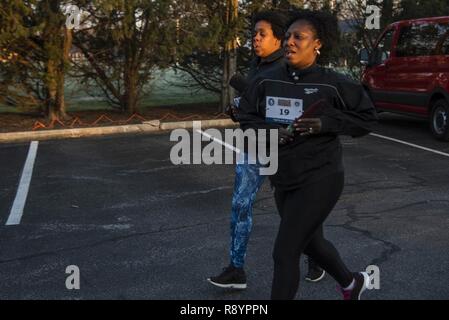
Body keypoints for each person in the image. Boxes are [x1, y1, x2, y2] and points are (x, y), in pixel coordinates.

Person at [237, 9, 378, 300]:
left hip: (321, 176)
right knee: (311, 243)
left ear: (317, 43)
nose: (289, 42)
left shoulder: (333, 83)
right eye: (287, 36)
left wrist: (326, 124)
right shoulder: (267, 80)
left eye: (298, 37)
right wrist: (271, 132)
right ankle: (352, 283)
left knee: (284, 252)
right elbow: (246, 116)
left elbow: (366, 119)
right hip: (283, 176)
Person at [207, 10, 325, 290]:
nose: (255, 39)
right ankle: (236, 270)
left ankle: (317, 257)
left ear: (278, 39)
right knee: (240, 204)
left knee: (296, 210)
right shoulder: (256, 66)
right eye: (254, 34)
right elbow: (252, 108)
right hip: (255, 146)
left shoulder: (290, 68)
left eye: (262, 34)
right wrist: (237, 110)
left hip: (286, 149)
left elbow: (297, 109)